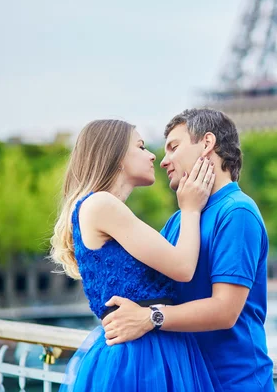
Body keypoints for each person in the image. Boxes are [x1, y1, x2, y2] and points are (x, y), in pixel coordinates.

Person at [101, 108, 275, 391]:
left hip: (232, 381)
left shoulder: (237, 212)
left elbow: (225, 310)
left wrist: (149, 318)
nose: (164, 161)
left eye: (174, 147)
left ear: (207, 144)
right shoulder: (181, 218)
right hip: (187, 377)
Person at [49, 119, 221, 392]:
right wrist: (190, 210)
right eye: (140, 147)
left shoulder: (100, 206)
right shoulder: (102, 204)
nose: (153, 155)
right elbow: (183, 267)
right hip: (142, 355)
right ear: (116, 157)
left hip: (144, 349)